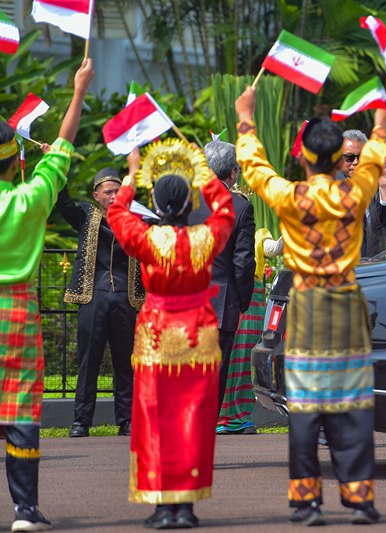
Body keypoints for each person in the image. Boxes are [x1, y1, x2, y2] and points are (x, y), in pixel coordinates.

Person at [235, 86, 386, 526]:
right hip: (346, 307)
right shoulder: (354, 193)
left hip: (305, 309)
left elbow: (255, 166)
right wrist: (379, 121)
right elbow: (376, 155)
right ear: (341, 158)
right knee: (354, 406)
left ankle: (306, 501)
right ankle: (360, 499)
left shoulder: (291, 197)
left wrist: (246, 117)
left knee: (306, 409)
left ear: (303, 157)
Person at [107, 140, 235, 529]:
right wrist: (202, 170)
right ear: (187, 203)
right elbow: (226, 207)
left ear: (159, 206)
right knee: (194, 420)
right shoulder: (204, 239)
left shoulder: (147, 240)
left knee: (155, 420)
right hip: (199, 334)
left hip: (158, 335)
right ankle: (187, 507)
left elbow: (116, 211)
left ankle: (163, 506)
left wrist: (131, 175)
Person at [0, 58, 94, 532]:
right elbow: (61, 145)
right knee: (19, 407)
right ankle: (24, 510)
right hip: (17, 310)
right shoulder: (30, 197)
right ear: (15, 160)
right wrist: (78, 90)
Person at [56, 166, 145, 438]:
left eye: (118, 191)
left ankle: (126, 420)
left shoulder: (136, 218)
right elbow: (63, 202)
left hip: (125, 299)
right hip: (92, 297)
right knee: (88, 362)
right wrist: (58, 168)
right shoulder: (85, 214)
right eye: (108, 192)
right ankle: (81, 421)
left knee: (124, 363)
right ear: (96, 195)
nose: (113, 196)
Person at [187, 140, 256, 412]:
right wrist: (243, 303)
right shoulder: (239, 206)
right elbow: (243, 262)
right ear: (232, 173)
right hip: (220, 305)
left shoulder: (185, 201)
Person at [216, 227, 277, 435]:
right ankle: (219, 417)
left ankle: (241, 415)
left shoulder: (259, 234)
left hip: (251, 304)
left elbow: (275, 248)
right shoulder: (213, 230)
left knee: (244, 360)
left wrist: (294, 222)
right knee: (225, 359)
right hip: (226, 300)